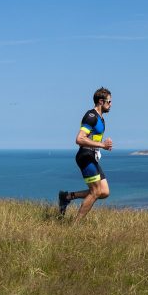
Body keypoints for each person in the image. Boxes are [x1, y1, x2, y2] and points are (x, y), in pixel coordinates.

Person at [58, 87, 113, 221]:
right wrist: (102, 145)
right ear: (101, 101)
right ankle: (75, 226)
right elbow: (79, 139)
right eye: (109, 102)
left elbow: (93, 138)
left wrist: (102, 145)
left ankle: (67, 197)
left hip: (91, 157)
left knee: (104, 192)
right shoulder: (91, 116)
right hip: (85, 156)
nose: (111, 105)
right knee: (95, 192)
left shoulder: (101, 119)